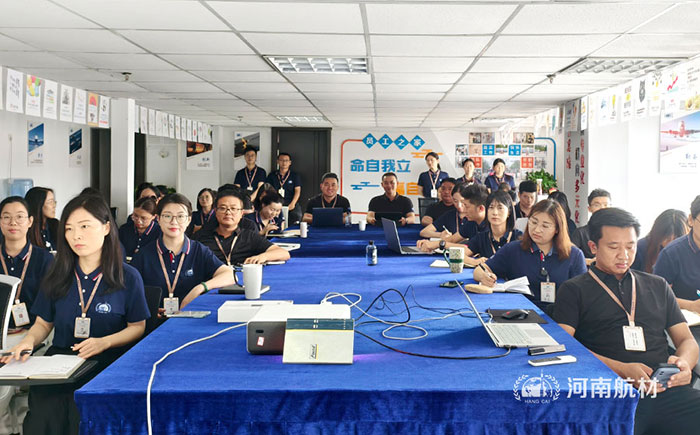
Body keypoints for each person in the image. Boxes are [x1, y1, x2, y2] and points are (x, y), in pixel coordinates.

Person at [1, 194, 150, 435]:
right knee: (45, 409)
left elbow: (137, 326)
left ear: (106, 228)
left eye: (84, 226)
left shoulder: (127, 276)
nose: (76, 235)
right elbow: (43, 323)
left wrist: (104, 342)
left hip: (106, 362)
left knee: (83, 409)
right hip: (60, 364)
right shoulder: (57, 273)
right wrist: (27, 342)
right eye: (69, 228)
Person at [553, 207, 700, 434]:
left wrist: (684, 364)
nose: (624, 255)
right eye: (614, 247)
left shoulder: (657, 285)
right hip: (610, 392)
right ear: (593, 247)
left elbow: (687, 340)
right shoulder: (574, 290)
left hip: (664, 389)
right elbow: (563, 347)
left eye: (630, 246)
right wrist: (621, 369)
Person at [474, 200, 586, 309]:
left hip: (559, 316)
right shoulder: (513, 250)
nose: (537, 230)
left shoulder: (574, 256)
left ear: (557, 229)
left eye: (545, 226)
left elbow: (582, 297)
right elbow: (479, 270)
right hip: (520, 313)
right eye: (533, 222)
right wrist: (485, 276)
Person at [130, 193, 234, 312]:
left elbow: (230, 275)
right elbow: (130, 291)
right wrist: (148, 308)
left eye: (180, 216)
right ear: (158, 219)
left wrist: (200, 288)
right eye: (167, 216)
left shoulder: (199, 250)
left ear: (189, 220)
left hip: (190, 317)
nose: (174, 222)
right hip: (154, 320)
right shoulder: (144, 255)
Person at [418, 191, 522, 266]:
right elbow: (458, 254)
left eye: (500, 208)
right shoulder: (482, 237)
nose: (495, 212)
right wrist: (474, 261)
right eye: (491, 207)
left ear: (509, 212)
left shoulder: (519, 238)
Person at [196, 190, 290, 265]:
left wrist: (263, 256)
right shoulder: (201, 237)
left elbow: (283, 253)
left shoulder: (248, 236)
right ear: (215, 211)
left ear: (241, 213)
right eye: (223, 208)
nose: (228, 212)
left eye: (233, 209)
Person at [0, 196, 54, 328]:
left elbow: (48, 306)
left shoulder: (45, 259)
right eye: (6, 217)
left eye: (19, 217)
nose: (13, 222)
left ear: (30, 221)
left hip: (33, 332)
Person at [653, 196, 700, 313]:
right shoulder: (671, 253)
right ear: (691, 220)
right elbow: (657, 296)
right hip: (686, 318)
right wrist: (690, 305)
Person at [419, 183, 487, 241]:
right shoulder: (450, 215)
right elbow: (424, 232)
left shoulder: (477, 220)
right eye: (455, 201)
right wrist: (440, 235)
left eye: (463, 202)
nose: (459, 205)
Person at [571, 188, 612, 261]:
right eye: (597, 205)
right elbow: (570, 257)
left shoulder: (616, 231)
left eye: (606, 205)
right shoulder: (580, 233)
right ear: (589, 208)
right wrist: (589, 261)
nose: (602, 208)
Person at [266, 153, 302, 224]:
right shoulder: (272, 175)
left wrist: (293, 203)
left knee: (297, 215)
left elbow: (297, 191)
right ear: (278, 162)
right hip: (276, 202)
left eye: (286, 160)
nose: (284, 162)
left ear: (290, 162)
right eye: (281, 160)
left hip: (291, 202)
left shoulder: (295, 176)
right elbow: (268, 190)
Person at [25, 187, 59, 251]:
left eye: (54, 202)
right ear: (39, 204)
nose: (54, 206)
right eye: (50, 202)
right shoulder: (27, 229)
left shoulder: (55, 225)